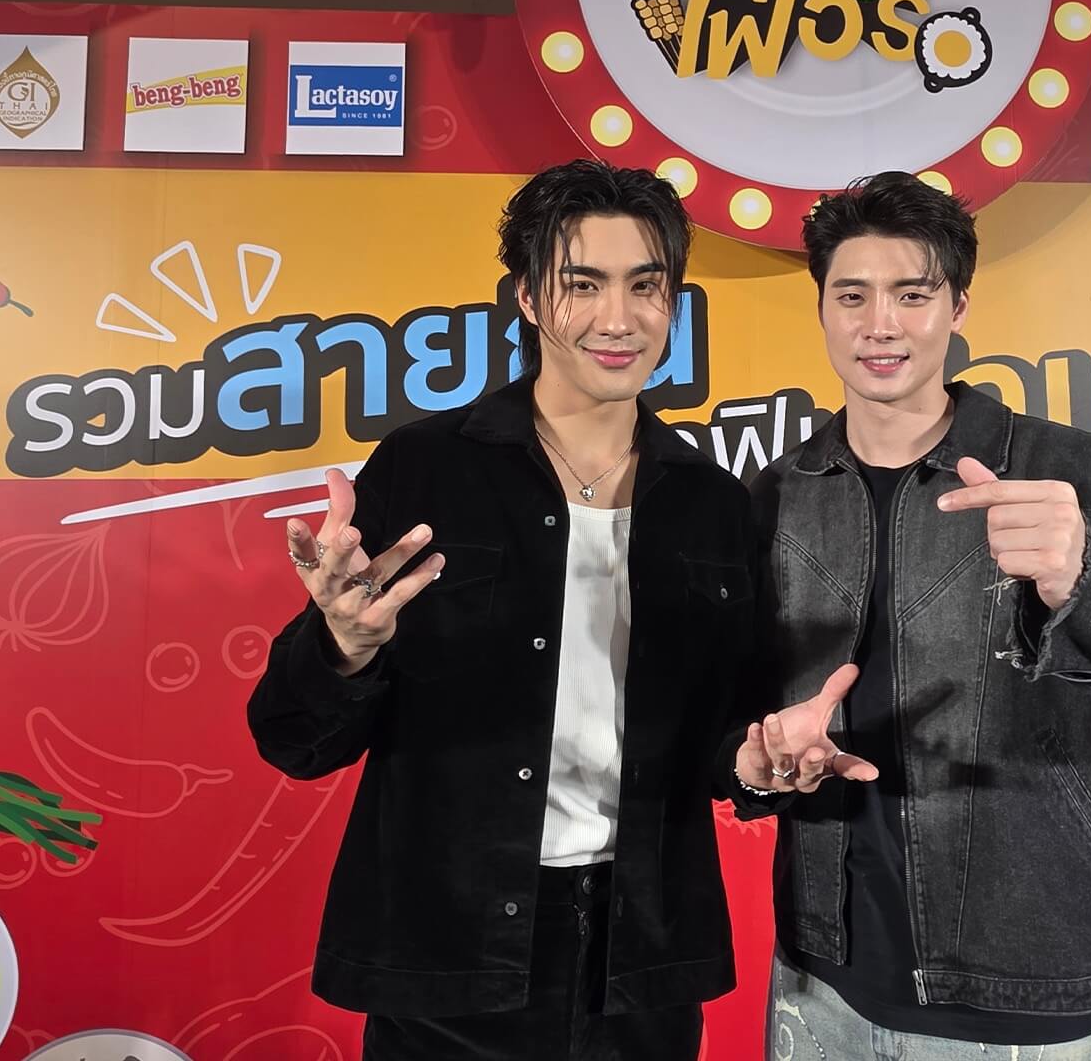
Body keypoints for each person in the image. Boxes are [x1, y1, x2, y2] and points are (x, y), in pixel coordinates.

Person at [246, 159, 841, 1060]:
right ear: (527, 296)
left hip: (641, 959)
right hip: (449, 952)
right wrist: (343, 644)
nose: (618, 318)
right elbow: (293, 740)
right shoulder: (426, 468)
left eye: (646, 286)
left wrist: (759, 766)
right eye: (582, 284)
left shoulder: (713, 503)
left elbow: (728, 740)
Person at [727, 172, 1091, 1060]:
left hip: (1023, 994)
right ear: (824, 309)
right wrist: (758, 765)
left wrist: (1085, 576)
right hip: (819, 981)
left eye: (913, 295)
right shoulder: (775, 500)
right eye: (853, 295)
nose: (881, 324)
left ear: (957, 306)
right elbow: (737, 726)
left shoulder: (1082, 477)